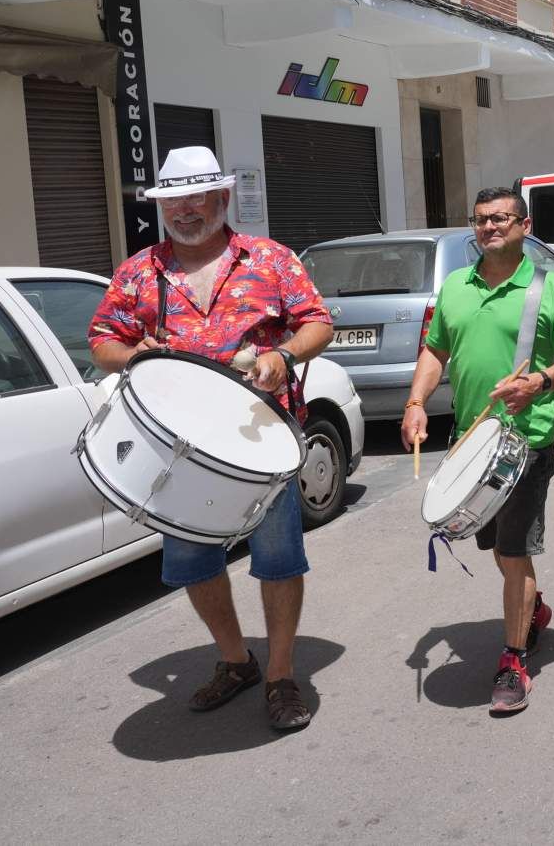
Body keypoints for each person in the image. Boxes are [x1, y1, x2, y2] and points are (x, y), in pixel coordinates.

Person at [88, 146, 333, 732]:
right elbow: (101, 340)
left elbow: (318, 322)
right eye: (175, 199)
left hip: (262, 437)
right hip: (184, 446)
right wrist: (131, 354)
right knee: (193, 561)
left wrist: (283, 354)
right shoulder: (140, 270)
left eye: (199, 197)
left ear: (223, 199)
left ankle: (279, 674)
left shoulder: (269, 259)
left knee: (277, 559)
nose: (187, 210)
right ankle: (234, 660)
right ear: (162, 206)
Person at [401, 187, 554, 715]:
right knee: (499, 553)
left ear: (524, 226)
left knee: (513, 553)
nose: (490, 228)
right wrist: (416, 401)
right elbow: (436, 349)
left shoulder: (546, 288)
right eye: (482, 220)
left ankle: (513, 663)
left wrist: (542, 382)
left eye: (501, 219)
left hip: (525, 442)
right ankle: (533, 609)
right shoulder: (455, 287)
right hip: (471, 441)